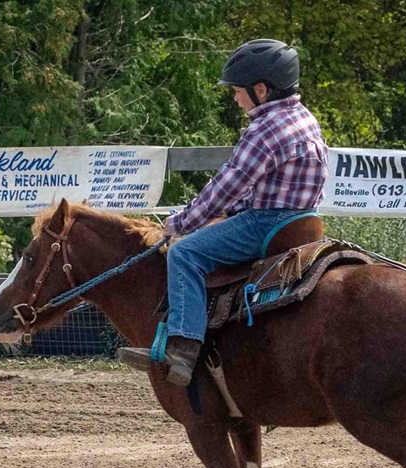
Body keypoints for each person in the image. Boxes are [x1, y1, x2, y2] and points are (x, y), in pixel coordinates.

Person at [117, 38, 328, 386]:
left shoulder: (265, 129)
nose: (234, 97)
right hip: (302, 220)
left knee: (184, 253)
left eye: (237, 90)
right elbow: (262, 187)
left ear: (261, 89)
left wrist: (181, 223)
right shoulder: (303, 118)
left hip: (265, 224)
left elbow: (225, 187)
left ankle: (183, 349)